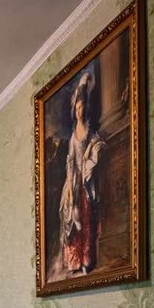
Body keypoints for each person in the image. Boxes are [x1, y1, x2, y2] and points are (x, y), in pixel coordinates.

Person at [58, 70, 105, 274]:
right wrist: (70, 183)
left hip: (85, 178)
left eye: (82, 107)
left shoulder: (88, 131)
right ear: (74, 110)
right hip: (74, 179)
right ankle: (74, 261)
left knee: (85, 219)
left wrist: (89, 152)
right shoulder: (72, 137)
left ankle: (86, 260)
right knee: (71, 217)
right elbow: (70, 160)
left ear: (85, 109)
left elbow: (96, 142)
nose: (79, 110)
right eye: (77, 108)